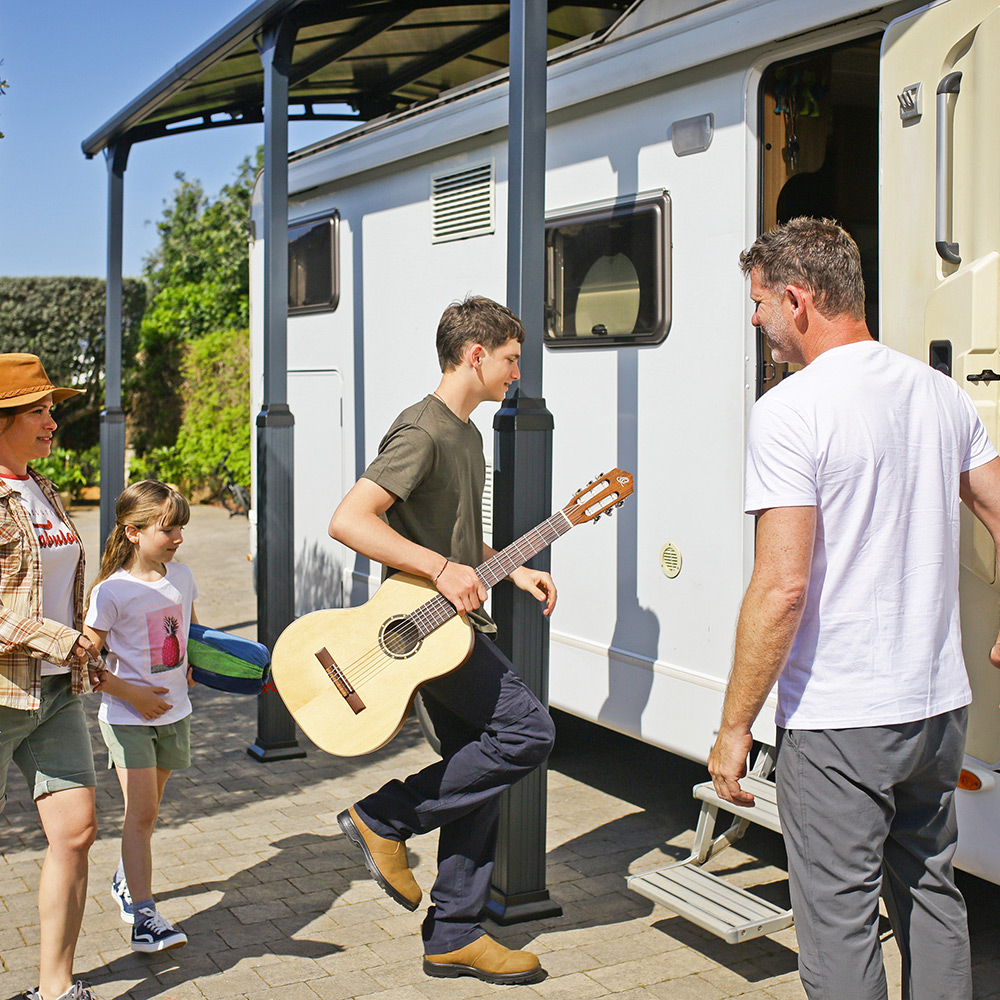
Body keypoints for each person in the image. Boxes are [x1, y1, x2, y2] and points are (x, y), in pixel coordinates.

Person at [707, 217, 1000, 1000]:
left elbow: (782, 587)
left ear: (798, 299)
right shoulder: (940, 395)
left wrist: (735, 727)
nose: (758, 320)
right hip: (937, 708)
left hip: (841, 719)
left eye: (761, 303)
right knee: (933, 895)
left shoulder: (790, 409)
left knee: (837, 924)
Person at [328, 295, 557, 985]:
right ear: (475, 354)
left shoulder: (468, 433)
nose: (517, 374)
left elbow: (450, 536)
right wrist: (441, 569)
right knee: (527, 734)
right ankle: (384, 817)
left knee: (476, 770)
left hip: (457, 625)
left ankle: (454, 933)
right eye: (512, 359)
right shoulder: (423, 430)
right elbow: (349, 520)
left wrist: (509, 570)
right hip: (424, 630)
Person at [0, 354, 104, 1000]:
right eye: (39, 411)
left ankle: (56, 990)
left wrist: (87, 629)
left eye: (52, 409)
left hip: (55, 691)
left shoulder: (40, 488)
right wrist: (61, 638)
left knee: (77, 830)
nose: (52, 421)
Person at [83, 481, 198, 954]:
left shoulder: (183, 577)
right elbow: (87, 663)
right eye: (167, 528)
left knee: (147, 818)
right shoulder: (111, 592)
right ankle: (145, 915)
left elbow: (192, 630)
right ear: (132, 532)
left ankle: (127, 876)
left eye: (180, 528)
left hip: (175, 714)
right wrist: (131, 693)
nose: (177, 538)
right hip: (127, 717)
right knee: (141, 812)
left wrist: (195, 665)